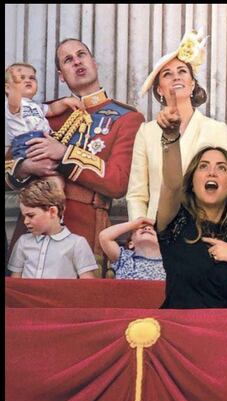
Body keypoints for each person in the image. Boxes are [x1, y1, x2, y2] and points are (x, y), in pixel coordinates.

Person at [5, 38, 145, 274]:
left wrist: (64, 154)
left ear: (94, 62)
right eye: (68, 60)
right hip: (33, 229)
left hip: (87, 227)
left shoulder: (127, 118)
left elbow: (117, 182)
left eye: (81, 55)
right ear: (61, 75)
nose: (77, 61)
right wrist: (26, 167)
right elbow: (8, 165)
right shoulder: (42, 112)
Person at [157, 90, 227, 308]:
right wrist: (172, 138)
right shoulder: (175, 222)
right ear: (192, 182)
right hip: (179, 331)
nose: (212, 172)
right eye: (203, 167)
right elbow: (172, 186)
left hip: (222, 334)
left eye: (221, 168)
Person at [127, 30, 227, 222]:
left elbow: (224, 185)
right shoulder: (146, 132)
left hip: (203, 226)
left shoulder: (216, 129)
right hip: (158, 229)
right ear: (159, 89)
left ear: (192, 84)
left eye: (182, 71)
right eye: (167, 74)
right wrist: (140, 229)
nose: (176, 77)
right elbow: (137, 194)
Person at [7, 177, 97, 279]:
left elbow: (87, 284)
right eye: (24, 216)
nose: (25, 221)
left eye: (31, 216)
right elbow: (15, 281)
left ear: (52, 212)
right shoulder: (23, 242)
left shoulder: (77, 243)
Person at [5, 63, 82, 162]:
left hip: (44, 140)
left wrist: (65, 101)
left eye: (32, 78)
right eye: (21, 78)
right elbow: (14, 102)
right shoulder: (13, 105)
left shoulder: (36, 105)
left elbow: (52, 109)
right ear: (8, 89)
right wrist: (14, 89)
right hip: (25, 143)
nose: (28, 80)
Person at [98, 217, 165, 280]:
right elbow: (104, 236)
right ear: (131, 244)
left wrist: (158, 224)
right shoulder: (124, 258)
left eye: (154, 229)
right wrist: (138, 222)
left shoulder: (171, 261)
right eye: (141, 228)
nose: (147, 229)